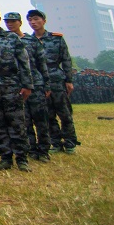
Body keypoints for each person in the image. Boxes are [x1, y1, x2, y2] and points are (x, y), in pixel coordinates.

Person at [0, 6, 33, 171]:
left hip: (11, 84)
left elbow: (23, 62)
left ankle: (22, 158)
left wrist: (27, 85)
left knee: (16, 122)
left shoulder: (11, 37)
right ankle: (5, 158)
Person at [27, 10, 77, 153]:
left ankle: (70, 143)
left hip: (56, 79)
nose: (33, 22)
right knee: (47, 114)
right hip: (39, 81)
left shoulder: (56, 38)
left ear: (44, 21)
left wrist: (69, 80)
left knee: (64, 113)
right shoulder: (28, 41)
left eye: (36, 19)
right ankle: (55, 142)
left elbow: (66, 60)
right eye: (30, 20)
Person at [5, 12, 52, 163]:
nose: (10, 24)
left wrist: (47, 84)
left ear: (20, 23)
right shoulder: (5, 41)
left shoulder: (31, 41)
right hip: (16, 86)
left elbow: (42, 64)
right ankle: (31, 149)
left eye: (13, 21)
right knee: (24, 121)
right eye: (7, 22)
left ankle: (43, 150)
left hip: (36, 84)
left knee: (41, 119)